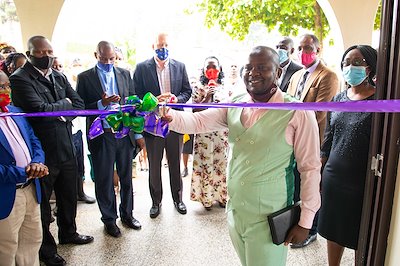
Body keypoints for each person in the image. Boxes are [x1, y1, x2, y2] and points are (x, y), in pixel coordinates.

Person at [163, 46, 321, 265]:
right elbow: (198, 122)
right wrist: (166, 113)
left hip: (270, 216)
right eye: (249, 67)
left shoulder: (298, 111)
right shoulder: (236, 101)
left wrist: (306, 221)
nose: (252, 73)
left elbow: (310, 168)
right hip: (236, 211)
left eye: (262, 68)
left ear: (277, 73)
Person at [10, 36, 93, 266]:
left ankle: (69, 233)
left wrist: (60, 108)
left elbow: (79, 104)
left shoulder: (58, 75)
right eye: (40, 52)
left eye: (50, 52)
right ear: (29, 54)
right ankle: (47, 251)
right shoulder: (20, 79)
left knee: (68, 196)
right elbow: (39, 110)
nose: (46, 56)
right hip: (42, 152)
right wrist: (64, 106)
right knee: (43, 204)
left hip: (66, 147)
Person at [318, 45, 377, 266]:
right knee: (333, 229)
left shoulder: (379, 102)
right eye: (346, 62)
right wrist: (320, 171)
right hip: (334, 177)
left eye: (357, 62)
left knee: (357, 232)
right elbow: (329, 138)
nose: (350, 67)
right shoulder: (338, 98)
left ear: (370, 68)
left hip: (361, 180)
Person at [76, 41, 142, 238]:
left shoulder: (124, 74)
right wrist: (100, 103)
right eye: (104, 59)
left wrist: (137, 133)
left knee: (126, 178)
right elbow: (80, 107)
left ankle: (127, 214)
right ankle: (109, 220)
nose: (108, 62)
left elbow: (132, 102)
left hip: (124, 134)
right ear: (96, 55)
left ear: (116, 57)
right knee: (104, 180)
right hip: (102, 135)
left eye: (111, 59)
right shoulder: (85, 77)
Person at [286, 33, 339, 248]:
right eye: (300, 48)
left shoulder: (327, 76)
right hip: (292, 138)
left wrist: (297, 126)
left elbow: (320, 112)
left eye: (308, 48)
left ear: (318, 50)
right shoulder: (297, 75)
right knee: (297, 184)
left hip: (312, 138)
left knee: (311, 185)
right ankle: (297, 222)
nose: (303, 53)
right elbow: (288, 103)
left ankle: (312, 229)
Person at [132, 32, 192, 218]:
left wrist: (176, 99)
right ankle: (156, 202)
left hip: (174, 123)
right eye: (159, 46)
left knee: (175, 163)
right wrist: (152, 100)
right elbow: (136, 95)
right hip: (152, 125)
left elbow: (187, 91)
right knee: (155, 166)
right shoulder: (142, 68)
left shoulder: (179, 66)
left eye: (165, 45)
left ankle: (178, 199)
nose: (163, 49)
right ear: (153, 47)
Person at [0, 71, 49, 266]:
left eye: (8, 86)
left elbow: (34, 141)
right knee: (6, 248)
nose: (7, 91)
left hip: (30, 190)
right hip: (7, 194)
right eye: (1, 87)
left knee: (32, 241)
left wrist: (37, 162)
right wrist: (25, 172)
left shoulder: (15, 111)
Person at [51, 57, 96, 205]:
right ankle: (60, 201)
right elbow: (49, 109)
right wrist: (65, 104)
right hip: (59, 133)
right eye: (55, 66)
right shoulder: (50, 86)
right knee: (61, 169)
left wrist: (66, 110)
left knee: (78, 164)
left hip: (75, 130)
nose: (58, 68)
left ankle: (80, 192)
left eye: (60, 65)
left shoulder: (66, 82)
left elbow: (78, 104)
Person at [191, 56, 229, 210]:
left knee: (221, 165)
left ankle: (222, 197)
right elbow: (195, 110)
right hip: (204, 135)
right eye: (208, 67)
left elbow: (230, 110)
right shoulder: (198, 88)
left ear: (219, 70)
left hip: (221, 135)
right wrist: (207, 97)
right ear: (204, 70)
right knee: (205, 164)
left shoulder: (226, 88)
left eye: (215, 67)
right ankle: (206, 198)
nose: (212, 70)